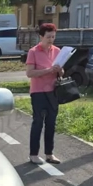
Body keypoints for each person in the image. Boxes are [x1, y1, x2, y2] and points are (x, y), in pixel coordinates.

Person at [25, 22, 64, 165]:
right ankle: (33, 154)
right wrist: (48, 70)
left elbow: (61, 72)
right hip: (38, 92)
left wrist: (59, 70)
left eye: (53, 37)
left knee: (51, 123)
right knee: (38, 123)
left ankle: (49, 154)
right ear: (41, 36)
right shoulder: (33, 52)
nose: (51, 40)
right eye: (48, 37)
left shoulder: (57, 51)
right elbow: (29, 73)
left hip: (53, 92)